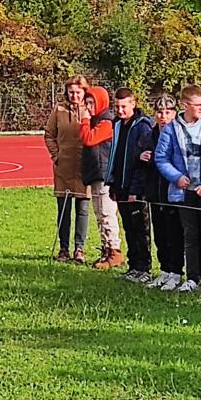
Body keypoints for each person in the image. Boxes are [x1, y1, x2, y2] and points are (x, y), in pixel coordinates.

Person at [154, 85, 201, 293]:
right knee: (190, 235)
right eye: (197, 105)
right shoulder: (171, 129)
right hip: (184, 192)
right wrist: (176, 177)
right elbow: (161, 158)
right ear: (185, 105)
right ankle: (193, 278)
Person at [106, 88, 156, 283]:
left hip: (135, 187)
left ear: (133, 104)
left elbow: (143, 160)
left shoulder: (142, 126)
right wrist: (112, 182)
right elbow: (116, 155)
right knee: (128, 227)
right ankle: (133, 266)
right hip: (120, 184)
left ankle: (144, 268)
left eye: (124, 106)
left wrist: (136, 190)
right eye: (117, 107)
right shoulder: (117, 124)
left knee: (140, 228)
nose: (120, 110)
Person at [44, 76, 91, 263]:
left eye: (78, 92)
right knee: (63, 210)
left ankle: (79, 249)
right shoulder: (59, 110)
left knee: (83, 209)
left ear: (84, 92)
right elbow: (49, 134)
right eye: (71, 92)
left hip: (84, 168)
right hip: (63, 167)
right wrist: (56, 155)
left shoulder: (90, 110)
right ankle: (64, 249)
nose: (74, 96)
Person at [79, 86, 122, 269]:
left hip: (104, 174)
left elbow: (88, 139)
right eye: (87, 103)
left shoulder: (106, 122)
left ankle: (114, 251)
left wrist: (84, 120)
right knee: (99, 213)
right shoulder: (96, 120)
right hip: (96, 174)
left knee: (106, 213)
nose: (88, 107)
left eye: (92, 103)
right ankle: (106, 249)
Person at [144, 95, 185, 292]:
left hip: (173, 191)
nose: (163, 116)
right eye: (160, 112)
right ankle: (164, 269)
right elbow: (138, 155)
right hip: (155, 191)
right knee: (159, 233)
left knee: (174, 234)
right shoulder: (150, 134)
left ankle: (176, 272)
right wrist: (141, 156)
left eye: (168, 112)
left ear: (174, 113)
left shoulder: (179, 133)